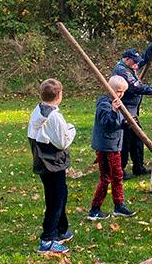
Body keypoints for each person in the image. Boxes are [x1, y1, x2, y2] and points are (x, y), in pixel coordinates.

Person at [27, 78, 76, 254]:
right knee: (56, 199)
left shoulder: (37, 110)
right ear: (59, 95)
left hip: (43, 160)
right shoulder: (55, 117)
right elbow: (62, 142)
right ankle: (47, 239)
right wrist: (71, 129)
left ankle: (60, 231)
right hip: (52, 162)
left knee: (60, 193)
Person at [112, 37, 152, 180]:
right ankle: (120, 171)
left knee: (137, 139)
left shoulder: (131, 65)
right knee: (125, 141)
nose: (137, 64)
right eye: (134, 62)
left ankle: (138, 167)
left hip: (132, 111)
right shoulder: (121, 71)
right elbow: (136, 88)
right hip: (124, 111)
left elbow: (144, 59)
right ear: (126, 59)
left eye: (136, 62)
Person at [88, 76, 136, 220]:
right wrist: (114, 111)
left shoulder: (115, 102)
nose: (121, 94)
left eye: (123, 91)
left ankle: (119, 206)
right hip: (106, 146)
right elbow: (107, 124)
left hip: (114, 145)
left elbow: (117, 124)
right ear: (111, 89)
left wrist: (126, 123)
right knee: (107, 177)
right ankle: (94, 210)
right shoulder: (104, 104)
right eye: (119, 91)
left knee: (117, 176)